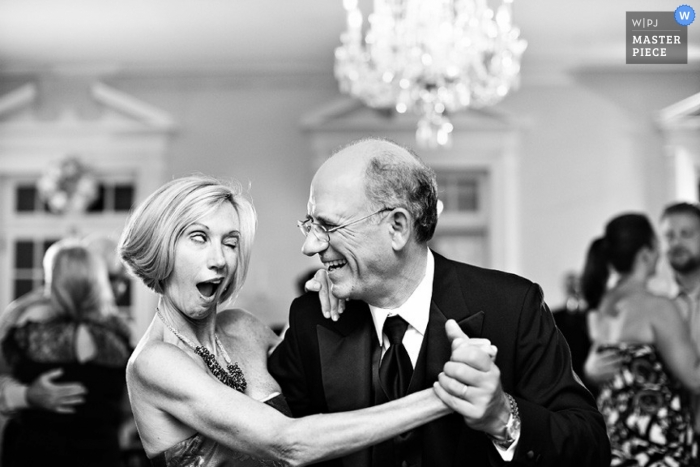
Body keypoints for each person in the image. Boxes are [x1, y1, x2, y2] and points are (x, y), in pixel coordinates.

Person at [268, 137, 610, 467]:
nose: (310, 246)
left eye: (328, 226)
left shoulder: (511, 307)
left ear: (398, 227)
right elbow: (269, 440)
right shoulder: (311, 317)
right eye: (310, 225)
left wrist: (503, 417)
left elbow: (590, 448)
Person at [119, 174, 467, 467]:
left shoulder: (244, 327)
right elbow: (287, 443)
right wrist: (444, 397)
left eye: (230, 243)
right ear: (160, 246)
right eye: (199, 238)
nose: (220, 260)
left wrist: (332, 286)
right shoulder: (155, 361)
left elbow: (312, 379)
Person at [1, 239, 133, 466]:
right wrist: (26, 395)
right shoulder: (122, 337)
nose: (119, 288)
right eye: (112, 278)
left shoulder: (26, 333)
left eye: (123, 280)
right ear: (96, 279)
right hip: (96, 454)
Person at [581, 212, 700, 465]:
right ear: (646, 253)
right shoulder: (657, 306)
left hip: (616, 438)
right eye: (659, 243)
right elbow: (694, 377)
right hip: (656, 441)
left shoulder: (601, 306)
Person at [551, 271, 596, 395]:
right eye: (570, 285)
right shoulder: (553, 317)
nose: (574, 288)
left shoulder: (592, 317)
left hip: (587, 380)